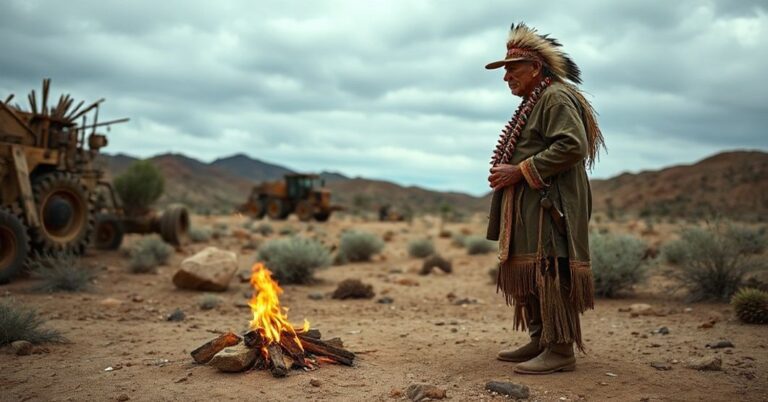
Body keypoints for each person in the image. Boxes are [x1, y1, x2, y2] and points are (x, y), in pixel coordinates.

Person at [484, 23, 605, 374]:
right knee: (530, 269)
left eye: (512, 68)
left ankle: (560, 349)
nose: (506, 76)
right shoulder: (536, 100)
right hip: (533, 205)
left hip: (550, 205)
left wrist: (519, 171)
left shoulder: (554, 97)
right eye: (504, 69)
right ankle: (540, 338)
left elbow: (572, 145)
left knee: (549, 269)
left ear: (536, 68)